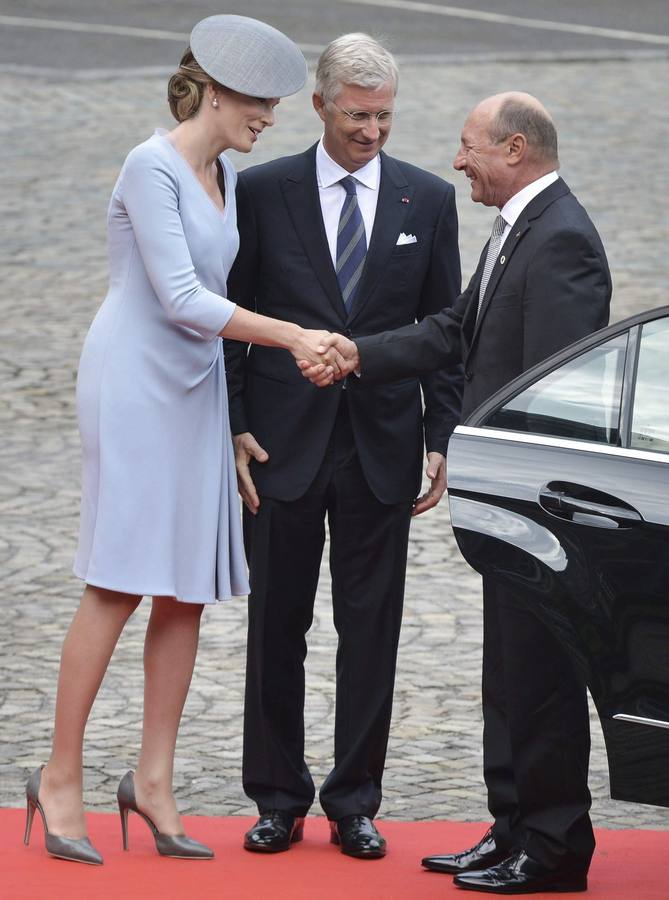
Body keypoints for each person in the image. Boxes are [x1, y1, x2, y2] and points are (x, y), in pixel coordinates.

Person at [22, 15, 331, 866]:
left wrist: (233, 420)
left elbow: (211, 315)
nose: (268, 118)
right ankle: (59, 775)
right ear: (219, 92)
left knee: (186, 589)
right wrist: (298, 337)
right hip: (131, 387)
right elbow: (184, 300)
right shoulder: (148, 164)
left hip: (196, 395)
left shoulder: (223, 173)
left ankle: (151, 782)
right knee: (118, 580)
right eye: (260, 103)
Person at [303, 92, 611, 892]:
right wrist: (355, 354)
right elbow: (453, 332)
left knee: (540, 676)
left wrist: (517, 493)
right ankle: (510, 826)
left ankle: (551, 848)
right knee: (506, 674)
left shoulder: (564, 240)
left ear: (513, 149)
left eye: (468, 146)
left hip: (536, 507)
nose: (456, 160)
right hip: (504, 506)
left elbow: (555, 391)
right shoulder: (521, 231)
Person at [224, 33, 462, 859]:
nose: (372, 131)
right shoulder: (259, 191)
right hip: (281, 446)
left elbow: (444, 328)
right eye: (357, 115)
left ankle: (355, 799)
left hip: (382, 446)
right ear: (321, 105)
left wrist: (442, 435)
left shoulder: (426, 200)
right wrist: (233, 421)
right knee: (274, 627)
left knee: (372, 632)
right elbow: (228, 313)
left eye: (385, 115)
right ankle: (277, 798)